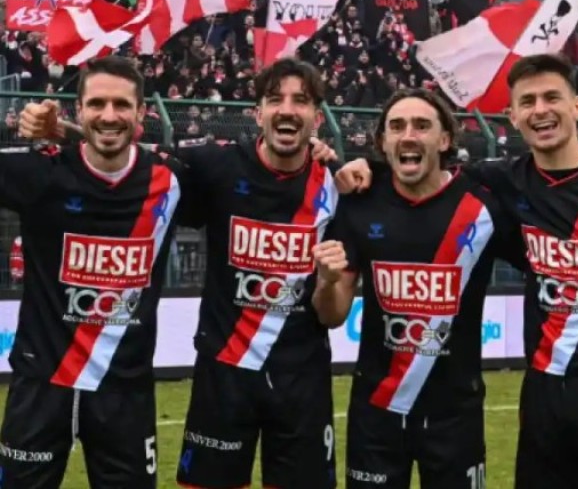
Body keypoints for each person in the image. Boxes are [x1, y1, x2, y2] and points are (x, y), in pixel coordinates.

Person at [20, 57, 347, 489]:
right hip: (223, 373)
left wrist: (353, 173)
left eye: (300, 101)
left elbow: (334, 313)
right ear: (257, 113)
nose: (287, 109)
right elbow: (125, 154)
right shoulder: (215, 166)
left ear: (317, 117)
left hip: (303, 378)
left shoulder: (340, 186)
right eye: (274, 99)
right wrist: (62, 129)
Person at [336, 53, 578, 489]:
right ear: (512, 116)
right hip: (543, 390)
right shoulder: (503, 182)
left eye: (552, 97)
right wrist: (369, 165)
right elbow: (426, 168)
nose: (540, 110)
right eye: (527, 101)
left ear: (577, 106)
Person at [313, 88, 522, 489]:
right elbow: (331, 314)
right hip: (377, 411)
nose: (408, 135)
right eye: (397, 126)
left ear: (445, 139)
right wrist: (326, 280)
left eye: (422, 125)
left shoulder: (483, 207)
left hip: (455, 414)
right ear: (383, 142)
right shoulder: (360, 203)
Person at [0, 56, 188, 488]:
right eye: (97, 104)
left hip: (125, 391)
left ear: (142, 113)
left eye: (122, 105)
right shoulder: (40, 174)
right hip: (42, 384)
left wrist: (329, 156)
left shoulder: (172, 180)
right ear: (79, 109)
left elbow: (260, 169)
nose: (109, 114)